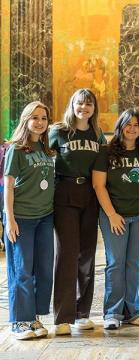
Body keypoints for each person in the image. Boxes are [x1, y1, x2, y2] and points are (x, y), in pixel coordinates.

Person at [93, 108, 139, 329]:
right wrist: (112, 215)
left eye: (136, 125)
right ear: (120, 126)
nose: (132, 129)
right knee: (115, 264)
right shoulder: (106, 152)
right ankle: (112, 313)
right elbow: (98, 185)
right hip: (115, 217)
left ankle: (133, 311)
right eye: (128, 124)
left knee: (133, 265)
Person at [49, 89, 106, 335]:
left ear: (94, 108)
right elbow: (43, 157)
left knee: (87, 254)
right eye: (79, 103)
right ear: (72, 104)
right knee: (66, 254)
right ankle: (63, 315)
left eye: (89, 104)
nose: (84, 107)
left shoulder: (98, 134)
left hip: (90, 194)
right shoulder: (58, 131)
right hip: (65, 194)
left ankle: (83, 312)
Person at [3, 101, 55, 339]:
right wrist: (9, 219)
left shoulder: (46, 150)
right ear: (26, 120)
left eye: (43, 118)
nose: (40, 122)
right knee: (22, 270)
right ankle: (19, 322)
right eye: (35, 117)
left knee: (43, 269)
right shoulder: (16, 149)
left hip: (44, 218)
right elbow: (8, 187)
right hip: (21, 218)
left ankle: (33, 318)